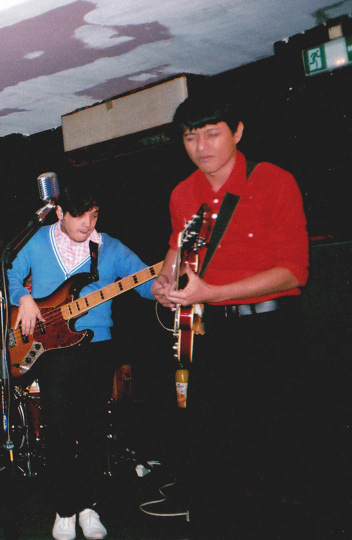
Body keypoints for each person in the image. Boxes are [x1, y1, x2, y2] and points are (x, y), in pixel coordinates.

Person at [151, 94, 309, 539]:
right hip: (212, 334)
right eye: (190, 137)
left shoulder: (273, 181)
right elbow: (176, 250)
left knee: (271, 456)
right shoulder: (183, 193)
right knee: (212, 455)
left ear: (237, 132)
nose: (201, 147)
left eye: (211, 134)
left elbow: (294, 272)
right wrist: (164, 283)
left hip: (270, 330)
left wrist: (213, 292)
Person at [7, 183, 155, 540]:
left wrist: (169, 284)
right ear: (60, 212)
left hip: (96, 345)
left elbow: (147, 283)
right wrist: (23, 298)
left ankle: (89, 506)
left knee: (92, 429)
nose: (88, 224)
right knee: (59, 430)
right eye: (79, 216)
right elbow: (10, 273)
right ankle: (64, 509)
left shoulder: (110, 248)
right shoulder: (37, 240)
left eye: (94, 215)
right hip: (53, 348)